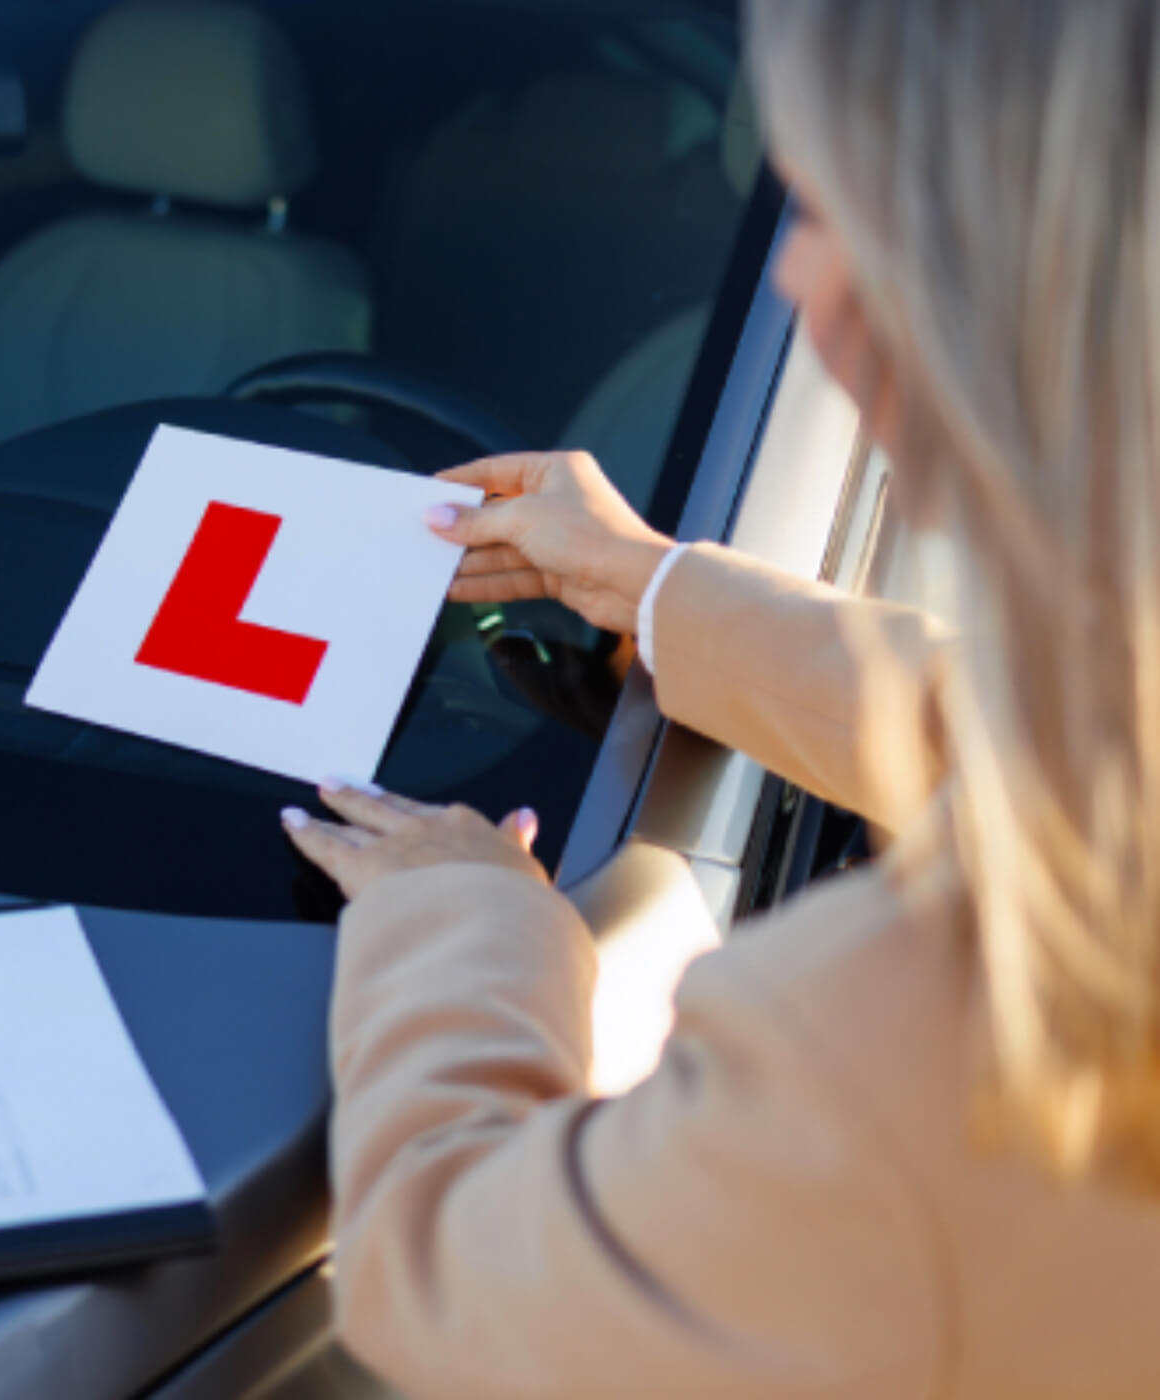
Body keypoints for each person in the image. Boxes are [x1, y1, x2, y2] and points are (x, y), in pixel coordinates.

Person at [280, 0, 1160, 1395]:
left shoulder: (933, 1029)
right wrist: (650, 585)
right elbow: (1045, 743)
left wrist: (466, 919)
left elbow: (458, 1292)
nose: (801, 280)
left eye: (836, 208)